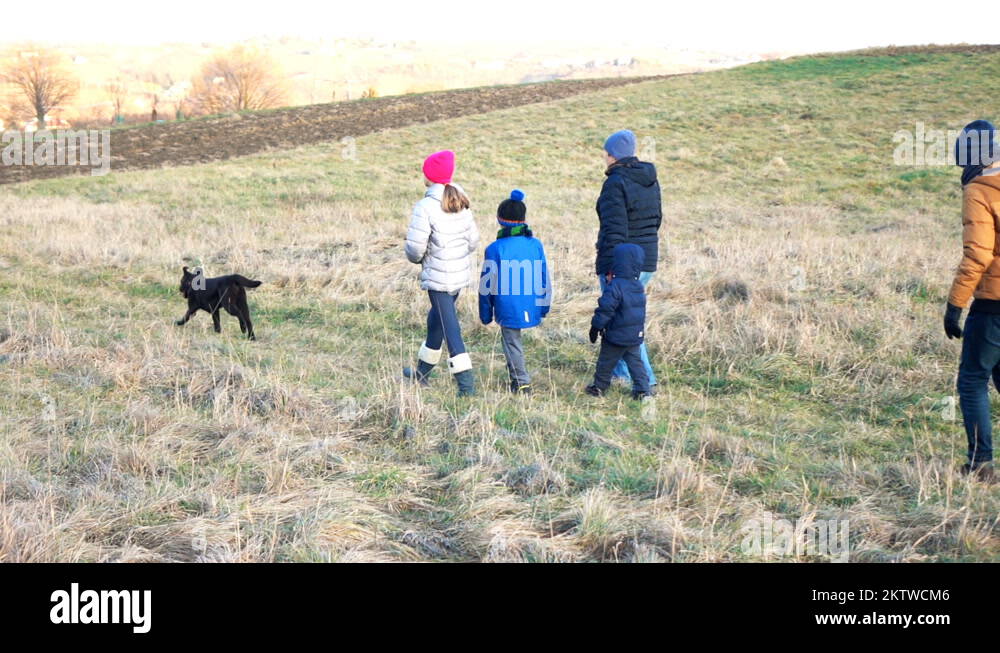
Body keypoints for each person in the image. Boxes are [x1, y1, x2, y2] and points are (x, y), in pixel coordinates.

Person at [944, 119, 1000, 483]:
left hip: (993, 306)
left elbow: (978, 256)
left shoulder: (980, 190)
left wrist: (954, 305)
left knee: (973, 380)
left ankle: (980, 465)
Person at [403, 150, 480, 397]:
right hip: (458, 276)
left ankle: (466, 386)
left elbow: (415, 248)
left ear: (429, 177)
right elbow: (473, 240)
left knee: (450, 328)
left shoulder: (425, 206)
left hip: (439, 278)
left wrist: (418, 258)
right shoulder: (461, 199)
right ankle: (422, 374)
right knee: (435, 321)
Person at [596, 129, 662, 392]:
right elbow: (656, 220)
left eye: (606, 152)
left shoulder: (615, 182)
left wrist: (614, 268)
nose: (604, 156)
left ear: (613, 155)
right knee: (626, 319)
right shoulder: (650, 180)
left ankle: (645, 380)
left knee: (624, 323)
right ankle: (621, 375)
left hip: (621, 262)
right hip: (646, 259)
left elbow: (614, 228)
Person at [478, 190, 551, 394]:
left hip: (507, 304)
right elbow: (544, 275)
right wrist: (544, 305)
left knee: (511, 340)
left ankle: (521, 382)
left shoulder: (494, 248)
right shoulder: (535, 244)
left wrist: (485, 313)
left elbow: (486, 285)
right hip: (532, 301)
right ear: (523, 220)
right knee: (512, 341)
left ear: (500, 221)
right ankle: (517, 375)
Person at [585, 243, 651, 400]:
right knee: (636, 363)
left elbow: (605, 309)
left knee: (606, 362)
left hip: (615, 336)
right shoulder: (638, 286)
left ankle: (599, 387)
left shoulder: (614, 286)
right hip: (634, 335)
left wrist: (596, 327)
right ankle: (643, 390)